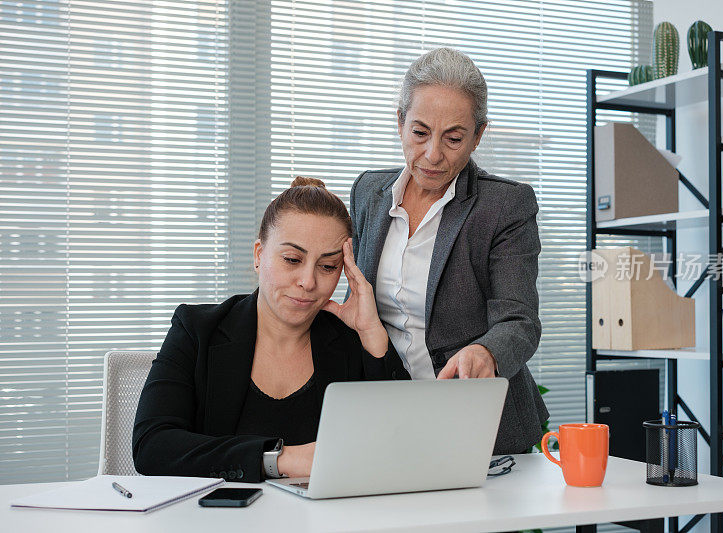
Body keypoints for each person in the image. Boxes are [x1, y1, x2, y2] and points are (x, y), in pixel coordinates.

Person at [133, 177, 410, 483]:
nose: (308, 281)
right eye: (292, 259)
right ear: (258, 254)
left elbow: (401, 444)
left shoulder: (349, 340)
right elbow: (153, 447)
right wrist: (282, 459)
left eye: (328, 266)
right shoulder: (198, 329)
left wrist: (372, 332)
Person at [350, 47, 549, 454]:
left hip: (482, 421)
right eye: (419, 132)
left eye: (454, 138)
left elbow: (519, 319)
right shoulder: (369, 192)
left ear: (478, 136)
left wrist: (485, 351)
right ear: (400, 123)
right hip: (393, 416)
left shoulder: (504, 206)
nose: (433, 154)